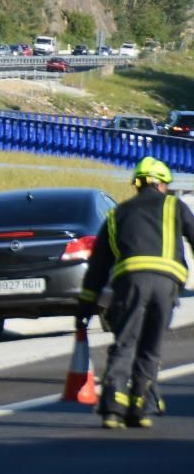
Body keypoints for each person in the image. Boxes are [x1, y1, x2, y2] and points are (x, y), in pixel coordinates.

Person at [76, 157, 194, 429]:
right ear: (162, 184)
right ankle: (140, 407)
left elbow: (98, 267)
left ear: (137, 185)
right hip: (166, 284)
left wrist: (85, 306)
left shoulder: (116, 214)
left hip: (129, 284)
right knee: (150, 346)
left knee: (125, 342)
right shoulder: (175, 207)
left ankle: (113, 409)